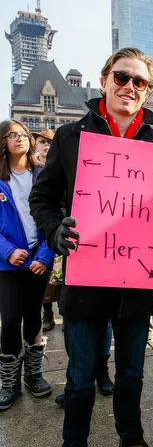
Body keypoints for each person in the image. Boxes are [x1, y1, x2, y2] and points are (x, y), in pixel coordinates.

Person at [30, 47, 153, 447]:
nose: (130, 87)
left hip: (135, 285)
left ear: (148, 91)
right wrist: (55, 230)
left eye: (140, 82)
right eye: (122, 77)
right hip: (87, 280)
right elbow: (43, 197)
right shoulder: (72, 138)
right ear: (104, 79)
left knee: (132, 375)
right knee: (77, 380)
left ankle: (130, 442)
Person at [0, 120, 54, 410]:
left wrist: (45, 255)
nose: (20, 139)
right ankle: (9, 381)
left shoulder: (42, 174)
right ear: (3, 141)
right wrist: (7, 251)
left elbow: (55, 215)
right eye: (13, 135)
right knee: (9, 320)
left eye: (23, 134)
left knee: (34, 317)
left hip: (37, 258)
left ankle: (34, 374)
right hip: (7, 263)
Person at [32, 129, 58, 332]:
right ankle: (47, 312)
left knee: (59, 276)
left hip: (59, 226)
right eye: (42, 142)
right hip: (39, 228)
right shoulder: (31, 170)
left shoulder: (60, 165)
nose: (46, 146)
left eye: (50, 142)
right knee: (45, 281)